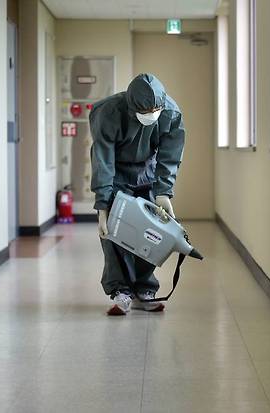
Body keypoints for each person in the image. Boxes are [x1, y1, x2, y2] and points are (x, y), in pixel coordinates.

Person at [90, 73, 185, 316]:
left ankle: (145, 290)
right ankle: (120, 290)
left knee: (152, 234)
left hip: (148, 176)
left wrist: (164, 193)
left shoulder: (170, 114)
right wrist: (103, 207)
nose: (150, 113)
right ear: (132, 105)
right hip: (116, 176)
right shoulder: (108, 112)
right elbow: (102, 160)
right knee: (114, 233)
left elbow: (169, 157)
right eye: (144, 109)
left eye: (155, 109)